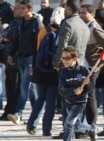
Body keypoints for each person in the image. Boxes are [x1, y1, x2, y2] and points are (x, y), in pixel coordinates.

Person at [52, 0, 90, 139]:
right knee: (77, 100)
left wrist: (57, 62)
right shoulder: (84, 25)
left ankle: (69, 132)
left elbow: (62, 46)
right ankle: (75, 130)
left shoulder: (67, 24)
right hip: (80, 65)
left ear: (68, 9)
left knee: (66, 100)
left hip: (67, 65)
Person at [26, 7, 65, 136]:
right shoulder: (62, 32)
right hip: (54, 71)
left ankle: (31, 124)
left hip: (40, 70)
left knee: (40, 98)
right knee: (50, 102)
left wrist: (34, 66)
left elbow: (36, 50)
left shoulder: (42, 30)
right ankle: (46, 129)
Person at [7, 0, 43, 125]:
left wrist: (35, 62)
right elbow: (16, 40)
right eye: (19, 8)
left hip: (31, 59)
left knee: (24, 86)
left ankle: (18, 114)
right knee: (31, 88)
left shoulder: (36, 23)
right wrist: (11, 54)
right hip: (20, 58)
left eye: (23, 8)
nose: (20, 10)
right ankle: (36, 114)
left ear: (30, 9)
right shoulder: (20, 22)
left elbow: (40, 44)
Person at [79, 3, 104, 129]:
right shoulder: (84, 26)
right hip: (83, 65)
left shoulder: (94, 28)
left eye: (84, 13)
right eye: (80, 12)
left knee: (90, 97)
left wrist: (99, 62)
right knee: (82, 96)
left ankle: (92, 127)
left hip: (92, 67)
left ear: (91, 14)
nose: (81, 15)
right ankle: (83, 126)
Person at [58, 46, 96, 141]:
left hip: (80, 102)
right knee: (76, 126)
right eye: (63, 58)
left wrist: (87, 84)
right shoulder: (63, 73)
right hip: (68, 101)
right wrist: (74, 90)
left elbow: (91, 87)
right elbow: (62, 90)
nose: (64, 61)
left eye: (67, 58)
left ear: (74, 58)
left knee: (69, 123)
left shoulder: (83, 70)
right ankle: (91, 129)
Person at [0, 0, 21, 121]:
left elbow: (10, 36)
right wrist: (5, 37)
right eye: (15, 8)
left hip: (15, 58)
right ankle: (8, 111)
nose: (15, 10)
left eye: (17, 8)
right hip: (7, 56)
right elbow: (4, 36)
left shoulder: (21, 23)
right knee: (9, 86)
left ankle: (15, 111)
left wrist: (6, 37)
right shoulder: (13, 21)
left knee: (16, 86)